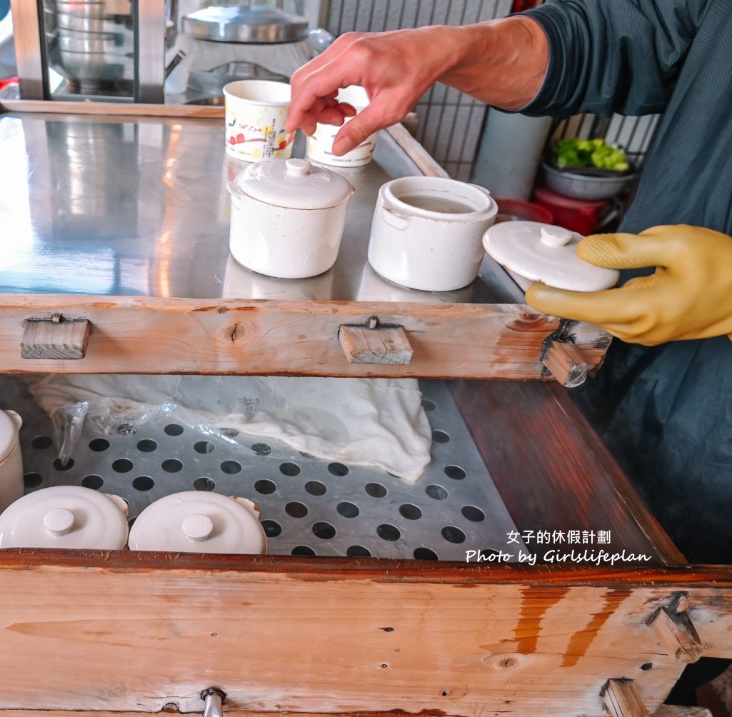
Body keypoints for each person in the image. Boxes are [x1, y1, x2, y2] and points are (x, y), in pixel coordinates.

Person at [286, 1, 732, 567]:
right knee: (577, 550)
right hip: (636, 340)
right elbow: (624, 35)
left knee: (679, 598)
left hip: (719, 447)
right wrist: (452, 48)